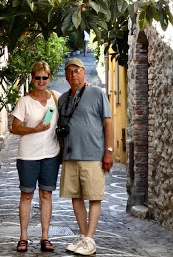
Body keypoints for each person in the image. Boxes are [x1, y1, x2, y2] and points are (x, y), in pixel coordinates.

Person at [57, 58, 114, 256]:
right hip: (70, 154)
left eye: (77, 70)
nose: (73, 74)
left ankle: (90, 239)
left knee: (94, 196)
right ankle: (83, 237)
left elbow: (108, 123)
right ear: (66, 76)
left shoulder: (97, 93)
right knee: (76, 196)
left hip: (93, 154)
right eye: (70, 71)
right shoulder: (63, 99)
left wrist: (109, 151)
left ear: (84, 73)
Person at [11, 61, 61, 253]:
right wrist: (35, 129)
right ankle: (23, 237)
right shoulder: (25, 101)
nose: (41, 81)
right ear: (32, 78)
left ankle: (45, 237)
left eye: (44, 77)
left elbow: (75, 99)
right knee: (26, 195)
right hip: (28, 155)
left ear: (49, 78)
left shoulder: (56, 98)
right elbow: (15, 128)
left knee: (46, 194)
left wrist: (86, 87)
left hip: (51, 154)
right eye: (38, 77)